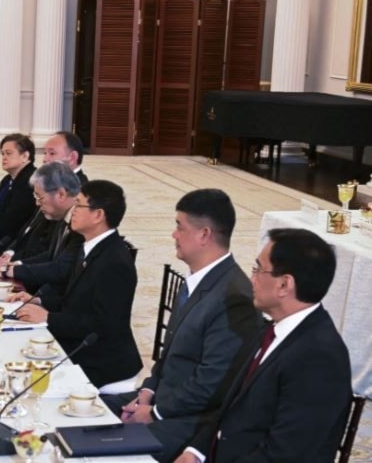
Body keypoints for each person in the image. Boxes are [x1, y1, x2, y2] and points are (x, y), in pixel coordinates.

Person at [102, 189, 262, 462]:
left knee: (101, 445)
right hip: (162, 399)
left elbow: (211, 384)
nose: (173, 235)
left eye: (179, 226)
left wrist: (154, 412)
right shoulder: (196, 280)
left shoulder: (234, 298)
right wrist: (147, 392)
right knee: (81, 407)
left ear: (204, 234)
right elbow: (168, 355)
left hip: (189, 422)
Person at [176, 228, 352, 463]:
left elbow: (285, 455)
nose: (251, 279)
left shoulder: (319, 358)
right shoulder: (269, 329)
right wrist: (195, 452)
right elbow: (230, 409)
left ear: (284, 285)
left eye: (258, 270)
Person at [12, 180, 142, 390]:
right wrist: (38, 300)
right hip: (79, 346)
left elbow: (102, 325)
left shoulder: (115, 262)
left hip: (103, 364)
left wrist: (48, 317)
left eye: (79, 205)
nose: (73, 211)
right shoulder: (89, 246)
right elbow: (74, 298)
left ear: (98, 215)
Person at [0, 162, 82, 295]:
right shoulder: (62, 215)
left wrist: (8, 270)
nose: (37, 203)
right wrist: (15, 265)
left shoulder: (81, 225)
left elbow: (60, 269)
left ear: (61, 195)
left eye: (39, 197)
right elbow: (51, 256)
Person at [0, 130, 87, 260]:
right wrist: (9, 252)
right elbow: (29, 226)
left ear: (72, 157)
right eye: (45, 153)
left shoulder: (79, 192)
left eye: (52, 153)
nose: (45, 159)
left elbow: (48, 245)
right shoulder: (47, 181)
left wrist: (15, 265)